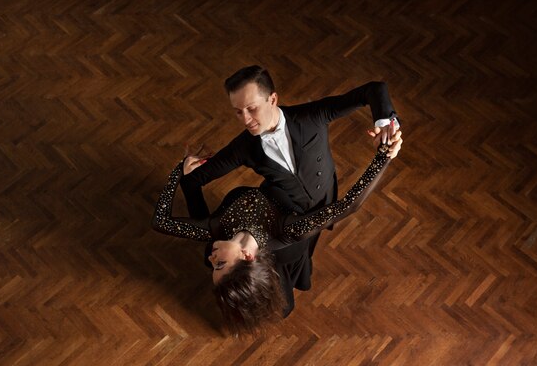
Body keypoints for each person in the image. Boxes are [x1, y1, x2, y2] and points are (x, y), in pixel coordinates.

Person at [179, 66, 403, 314]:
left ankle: (302, 270)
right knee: (283, 271)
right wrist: (207, 231)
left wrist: (386, 128)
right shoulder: (245, 146)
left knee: (308, 246)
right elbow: (191, 182)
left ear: (272, 99)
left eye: (251, 109)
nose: (245, 120)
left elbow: (374, 90)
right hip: (282, 223)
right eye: (238, 112)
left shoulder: (311, 116)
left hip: (324, 200)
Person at [152, 142, 394, 334]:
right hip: (284, 253)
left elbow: (160, 221)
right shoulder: (287, 230)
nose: (211, 257)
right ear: (246, 256)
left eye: (213, 266)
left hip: (276, 255)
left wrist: (179, 171)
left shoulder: (215, 230)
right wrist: (384, 154)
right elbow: (348, 206)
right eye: (220, 264)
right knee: (282, 304)